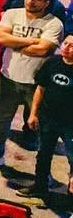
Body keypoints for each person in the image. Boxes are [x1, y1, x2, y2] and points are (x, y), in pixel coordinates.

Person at [0, 0, 63, 170]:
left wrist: (16, 42)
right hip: (8, 77)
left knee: (38, 125)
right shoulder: (12, 14)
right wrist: (32, 41)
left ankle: (42, 170)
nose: (31, 1)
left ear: (46, 2)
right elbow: (1, 38)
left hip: (37, 83)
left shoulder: (54, 23)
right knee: (3, 119)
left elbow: (43, 50)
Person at [29, 33, 73, 202]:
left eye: (72, 46)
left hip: (70, 124)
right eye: (65, 44)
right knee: (43, 154)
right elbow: (40, 89)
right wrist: (33, 114)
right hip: (47, 119)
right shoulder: (52, 62)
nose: (67, 48)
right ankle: (40, 188)